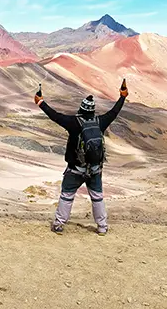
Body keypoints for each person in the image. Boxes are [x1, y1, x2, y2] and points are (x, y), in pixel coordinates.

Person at [34, 80, 128, 236]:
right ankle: (102, 226)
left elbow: (55, 116)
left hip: (75, 169)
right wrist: (122, 96)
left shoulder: (73, 123)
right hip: (95, 170)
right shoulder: (100, 122)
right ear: (92, 111)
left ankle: (59, 224)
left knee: (67, 195)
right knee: (97, 197)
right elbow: (114, 112)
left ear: (81, 109)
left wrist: (41, 102)